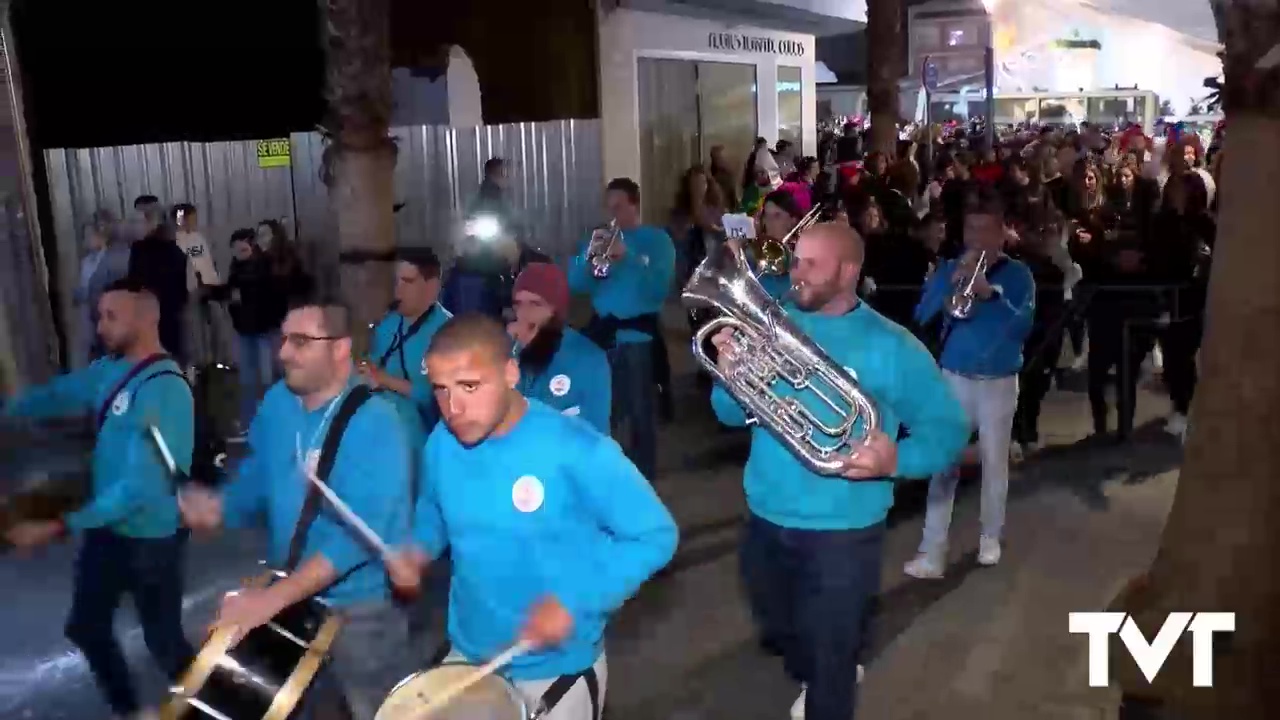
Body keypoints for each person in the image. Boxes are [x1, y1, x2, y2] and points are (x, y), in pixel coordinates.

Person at [709, 223, 970, 720]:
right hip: (765, 515)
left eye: (811, 263)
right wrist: (729, 370)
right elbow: (725, 412)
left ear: (848, 271)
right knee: (780, 631)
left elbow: (948, 427)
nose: (794, 273)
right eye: (795, 260)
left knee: (829, 671)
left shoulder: (891, 346)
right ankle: (830, 661)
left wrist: (897, 461)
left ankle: (833, 671)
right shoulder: (771, 325)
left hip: (843, 532)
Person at [386, 313, 678, 720]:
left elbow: (655, 535)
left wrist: (575, 601)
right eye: (440, 389)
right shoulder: (442, 443)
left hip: (555, 670)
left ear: (510, 373)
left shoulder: (578, 449)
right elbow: (433, 514)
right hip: (469, 654)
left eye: (470, 386)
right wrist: (416, 551)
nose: (453, 408)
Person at [177, 296, 414, 720]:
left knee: (375, 710)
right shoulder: (277, 403)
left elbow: (356, 537)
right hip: (292, 594)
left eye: (301, 341)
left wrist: (271, 600)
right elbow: (258, 472)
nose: (283, 352)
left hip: (361, 611)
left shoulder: (379, 421)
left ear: (340, 348)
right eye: (284, 340)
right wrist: (222, 506)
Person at [4, 279, 196, 720]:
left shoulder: (166, 388)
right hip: (109, 531)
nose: (101, 325)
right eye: (100, 315)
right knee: (88, 627)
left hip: (151, 536)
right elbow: (59, 394)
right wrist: (11, 408)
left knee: (164, 641)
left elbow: (139, 489)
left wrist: (55, 526)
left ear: (148, 318)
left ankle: (222, 705)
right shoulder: (110, 370)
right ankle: (131, 711)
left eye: (113, 316)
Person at [908, 186, 1036, 576]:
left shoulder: (1017, 275)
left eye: (985, 230)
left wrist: (990, 295)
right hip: (955, 377)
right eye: (971, 230)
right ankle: (932, 549)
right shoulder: (951, 267)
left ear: (1001, 234)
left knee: (995, 462)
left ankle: (990, 538)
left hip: (998, 380)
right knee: (943, 462)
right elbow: (922, 313)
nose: (977, 239)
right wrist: (948, 284)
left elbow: (1022, 327)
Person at [569, 178, 676, 481]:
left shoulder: (656, 241)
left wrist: (627, 257)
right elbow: (574, 284)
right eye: (609, 206)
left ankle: (643, 480)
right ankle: (600, 474)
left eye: (619, 206)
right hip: (602, 332)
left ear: (634, 204)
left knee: (641, 416)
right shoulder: (599, 237)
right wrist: (587, 265)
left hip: (639, 337)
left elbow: (657, 289)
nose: (612, 213)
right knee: (600, 408)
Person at [360, 248, 452, 446]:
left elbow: (440, 398)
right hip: (381, 425)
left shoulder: (449, 332)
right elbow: (373, 365)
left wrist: (385, 380)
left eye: (407, 282)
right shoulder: (387, 323)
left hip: (423, 439)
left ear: (432, 287)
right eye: (396, 282)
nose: (398, 291)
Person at [507, 263, 611, 434]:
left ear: (556, 309)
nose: (524, 313)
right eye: (518, 304)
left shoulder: (587, 358)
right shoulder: (504, 350)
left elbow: (597, 435)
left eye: (535, 304)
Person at [127, 204, 190, 364]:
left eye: (140, 222)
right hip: (172, 317)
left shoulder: (140, 250)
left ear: (152, 223)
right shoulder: (175, 249)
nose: (136, 227)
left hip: (151, 318)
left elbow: (135, 283)